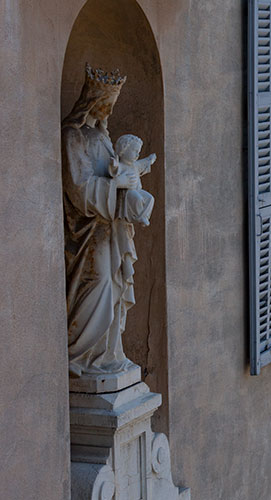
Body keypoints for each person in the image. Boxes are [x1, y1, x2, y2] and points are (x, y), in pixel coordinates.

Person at [63, 64, 146, 377]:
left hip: (110, 228)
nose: (108, 109)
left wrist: (130, 181)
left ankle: (109, 355)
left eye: (111, 104)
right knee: (97, 282)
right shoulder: (73, 135)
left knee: (113, 284)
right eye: (104, 102)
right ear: (90, 101)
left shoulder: (101, 136)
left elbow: (117, 171)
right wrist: (118, 185)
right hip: (87, 231)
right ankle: (80, 355)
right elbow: (78, 188)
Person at [110, 134, 156, 226]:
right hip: (128, 192)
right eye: (135, 151)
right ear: (123, 150)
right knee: (137, 199)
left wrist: (150, 160)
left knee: (150, 198)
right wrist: (113, 164)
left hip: (137, 189)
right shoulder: (121, 165)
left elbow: (143, 163)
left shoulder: (135, 165)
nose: (137, 154)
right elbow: (113, 171)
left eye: (138, 152)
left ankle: (143, 216)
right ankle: (140, 217)